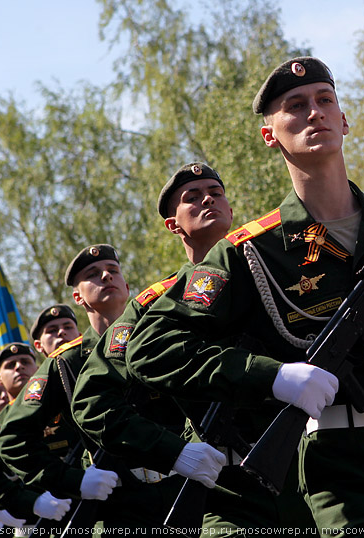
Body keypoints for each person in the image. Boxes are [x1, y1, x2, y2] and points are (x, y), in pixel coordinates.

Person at [126, 56, 364, 532]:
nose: (314, 112)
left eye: (324, 101)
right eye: (295, 106)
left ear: (344, 120)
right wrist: (272, 377)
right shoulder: (251, 251)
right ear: (269, 134)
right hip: (351, 469)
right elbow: (151, 348)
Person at [71, 163, 289, 533]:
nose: (208, 199)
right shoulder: (151, 305)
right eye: (192, 198)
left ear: (231, 211)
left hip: (311, 464)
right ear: (173, 225)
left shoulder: (277, 270)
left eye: (216, 193)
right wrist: (174, 451)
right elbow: (92, 401)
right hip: (225, 488)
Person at [0, 247, 131, 532]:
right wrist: (74, 481)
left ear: (127, 286)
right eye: (93, 274)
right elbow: (12, 439)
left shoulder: (160, 334)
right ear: (78, 297)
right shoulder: (66, 364)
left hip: (193, 481)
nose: (106, 276)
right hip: (119, 506)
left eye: (113, 270)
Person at [0, 344, 72, 532]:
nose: (19, 367)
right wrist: (31, 503)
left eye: (25, 362)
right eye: (10, 365)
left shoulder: (64, 406)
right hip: (34, 522)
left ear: (37, 369)